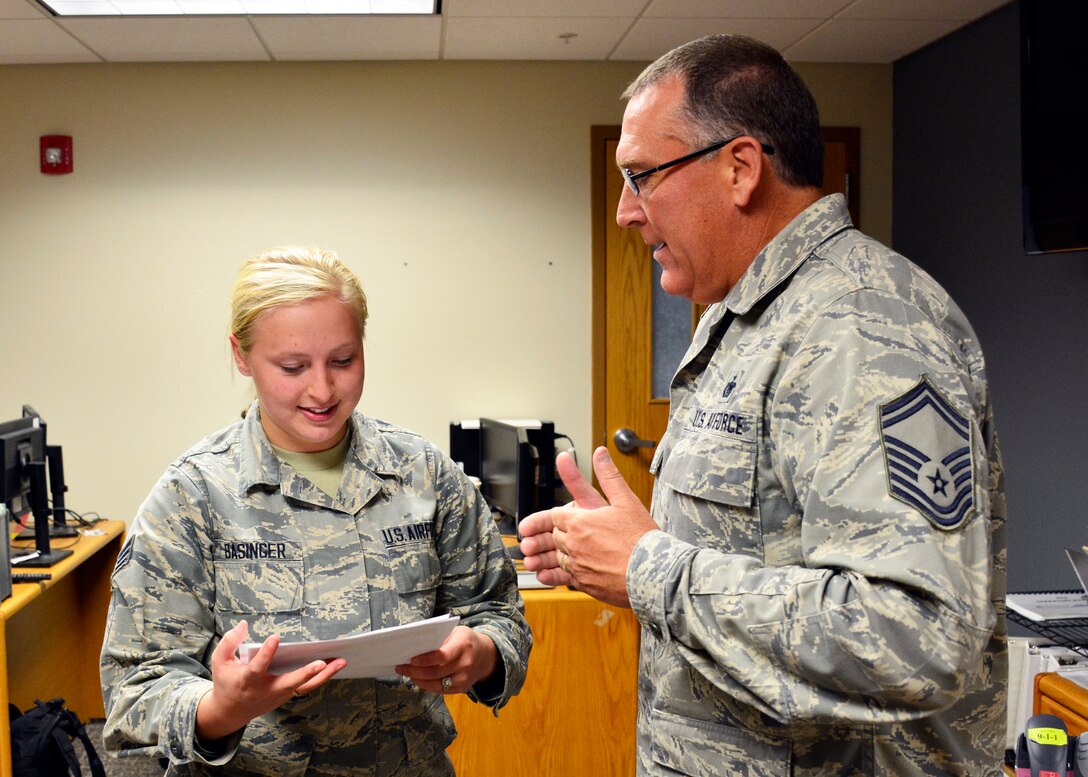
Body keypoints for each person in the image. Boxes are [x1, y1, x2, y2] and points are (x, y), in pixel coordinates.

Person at [519, 34, 1005, 776]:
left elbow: (918, 637)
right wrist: (626, 559)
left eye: (641, 176)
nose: (625, 211)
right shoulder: (743, 318)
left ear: (740, 167)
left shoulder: (861, 328)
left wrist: (652, 569)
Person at [100, 245, 532, 776]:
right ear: (241, 355)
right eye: (291, 366)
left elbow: (500, 614)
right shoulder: (193, 495)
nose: (322, 389)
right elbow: (133, 692)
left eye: (344, 360)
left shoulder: (423, 473)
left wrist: (482, 654)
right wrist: (219, 709)